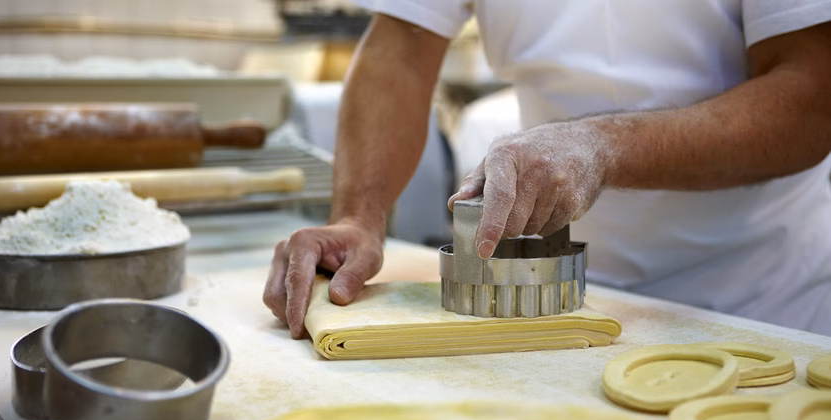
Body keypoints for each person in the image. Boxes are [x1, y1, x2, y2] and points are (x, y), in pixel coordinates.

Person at [264, 0, 831, 338]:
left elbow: (812, 97)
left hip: (759, 303)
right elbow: (400, 51)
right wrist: (358, 216)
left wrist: (601, 147)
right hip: (558, 308)